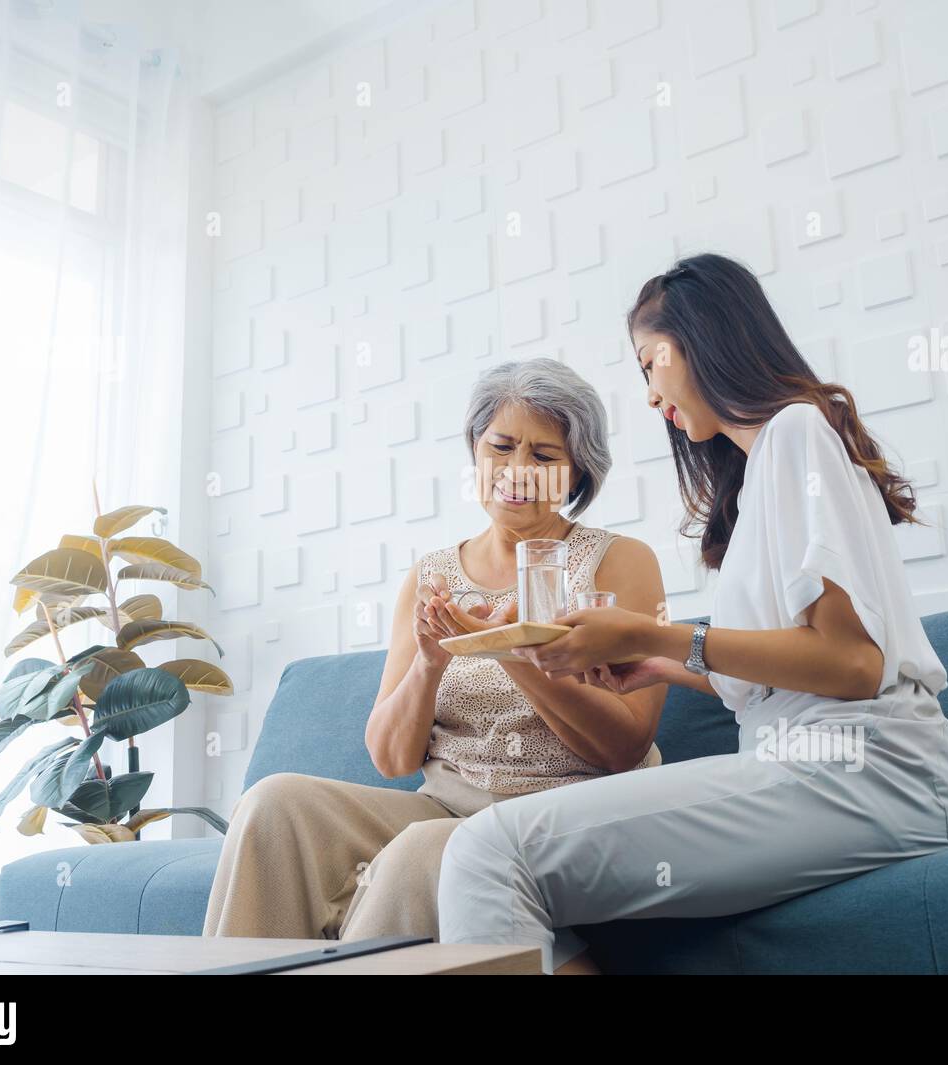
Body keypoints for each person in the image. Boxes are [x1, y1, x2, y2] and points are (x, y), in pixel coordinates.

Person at [435, 253, 948, 974]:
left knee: (487, 851)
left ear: (706, 338)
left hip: (865, 767)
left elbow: (854, 665)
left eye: (650, 361)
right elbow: (792, 666)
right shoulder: (761, 481)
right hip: (817, 759)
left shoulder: (795, 433)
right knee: (501, 864)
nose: (650, 393)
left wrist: (653, 632)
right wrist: (658, 663)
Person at [201, 357, 667, 954]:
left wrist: (511, 652)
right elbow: (392, 758)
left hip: (568, 815)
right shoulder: (432, 575)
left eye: (545, 457)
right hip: (445, 805)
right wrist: (429, 661)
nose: (517, 470)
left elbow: (624, 748)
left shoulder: (618, 560)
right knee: (273, 803)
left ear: (577, 475)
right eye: (501, 445)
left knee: (429, 850)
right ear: (476, 450)